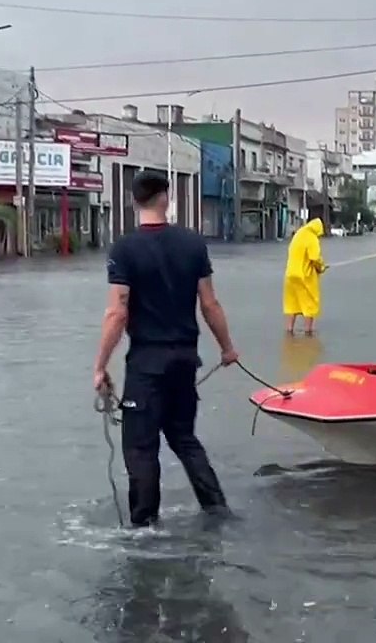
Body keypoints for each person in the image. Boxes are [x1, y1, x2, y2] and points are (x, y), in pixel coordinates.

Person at [92, 170, 239, 528]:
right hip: (185, 360)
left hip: (147, 363)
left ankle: (144, 529)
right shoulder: (192, 243)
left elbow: (117, 312)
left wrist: (100, 366)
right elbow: (210, 305)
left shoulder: (125, 248)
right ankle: (218, 511)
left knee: (140, 448)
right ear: (166, 198)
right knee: (184, 437)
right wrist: (227, 348)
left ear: (134, 201)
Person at [284, 218, 327, 335]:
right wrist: (321, 267)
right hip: (304, 276)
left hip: (290, 274)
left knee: (292, 304)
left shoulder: (298, 234)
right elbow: (315, 258)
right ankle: (308, 331)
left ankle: (289, 329)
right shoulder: (312, 238)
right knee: (309, 303)